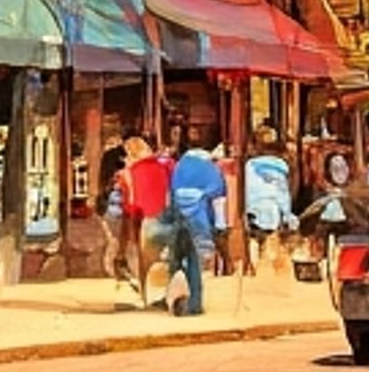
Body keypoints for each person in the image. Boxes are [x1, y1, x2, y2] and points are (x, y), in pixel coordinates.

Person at [164, 142, 227, 318]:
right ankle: (194, 303)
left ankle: (172, 300)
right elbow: (218, 199)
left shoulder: (179, 168)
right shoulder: (211, 171)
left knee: (175, 261)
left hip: (178, 220)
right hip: (199, 221)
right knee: (194, 262)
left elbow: (170, 196)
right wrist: (220, 226)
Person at [117, 137, 173, 309]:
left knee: (146, 265)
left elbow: (131, 204)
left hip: (145, 220)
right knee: (164, 262)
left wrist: (125, 236)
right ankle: (166, 297)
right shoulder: (165, 167)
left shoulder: (127, 173)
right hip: (166, 217)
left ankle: (146, 299)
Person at [242, 132, 296, 278]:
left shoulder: (249, 165)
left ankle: (253, 265)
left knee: (254, 236)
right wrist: (288, 215)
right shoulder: (282, 166)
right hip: (273, 212)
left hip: (252, 210)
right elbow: (283, 195)